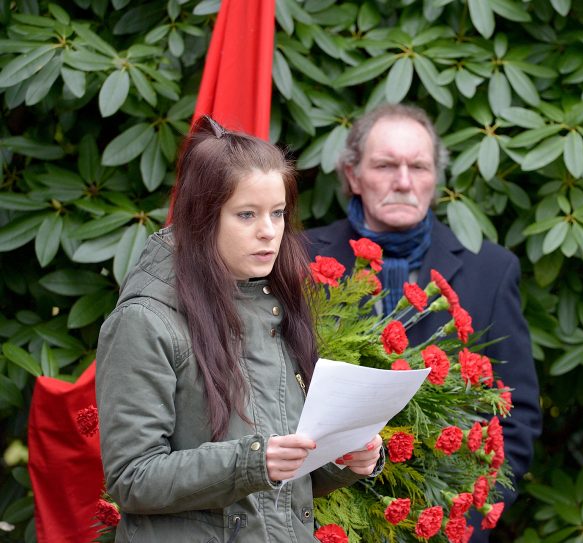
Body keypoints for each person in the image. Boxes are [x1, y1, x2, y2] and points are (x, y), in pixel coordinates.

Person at [96, 116, 383, 542]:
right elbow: (132, 479)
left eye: (278, 213)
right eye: (246, 214)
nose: (268, 232)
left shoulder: (275, 308)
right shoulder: (145, 321)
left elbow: (279, 488)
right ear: (202, 218)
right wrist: (253, 462)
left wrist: (342, 459)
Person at [306, 103, 542, 540]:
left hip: (440, 523)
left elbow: (517, 413)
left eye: (418, 166)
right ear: (353, 175)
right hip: (320, 516)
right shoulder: (299, 259)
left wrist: (461, 514)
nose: (403, 181)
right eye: (385, 165)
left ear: (435, 179)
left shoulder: (490, 270)